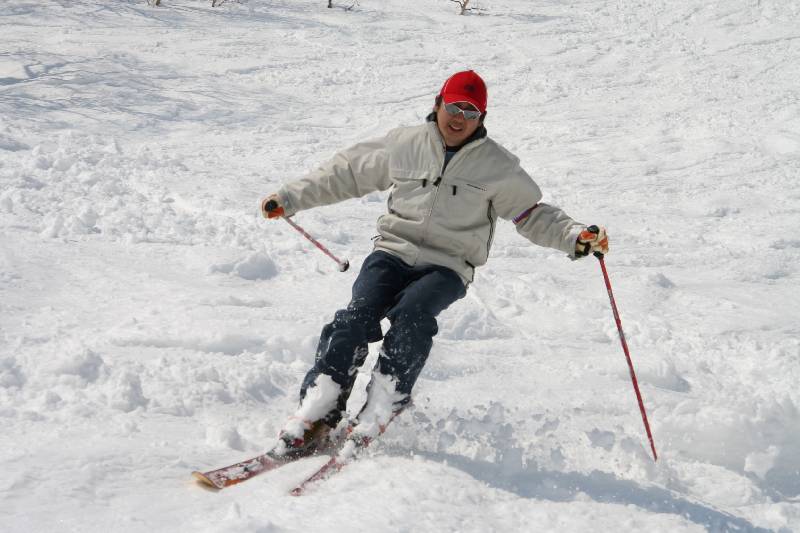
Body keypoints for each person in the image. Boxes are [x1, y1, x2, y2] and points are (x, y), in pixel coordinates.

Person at [260, 70, 609, 457]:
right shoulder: (405, 144)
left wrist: (575, 237)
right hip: (391, 252)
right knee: (354, 318)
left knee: (413, 317)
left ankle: (380, 408)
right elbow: (347, 172)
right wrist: (288, 198)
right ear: (438, 103)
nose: (460, 118)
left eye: (471, 112)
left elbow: (532, 214)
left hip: (447, 265)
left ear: (482, 118)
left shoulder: (497, 166)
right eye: (454, 107)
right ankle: (318, 410)